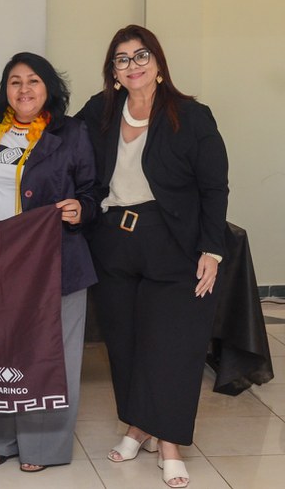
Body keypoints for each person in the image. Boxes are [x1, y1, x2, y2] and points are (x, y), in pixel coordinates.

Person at [75, 24, 228, 488]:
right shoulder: (100, 110)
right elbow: (54, 134)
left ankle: (170, 443)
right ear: (113, 71)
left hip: (173, 242)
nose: (133, 65)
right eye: (122, 59)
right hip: (113, 242)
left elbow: (214, 186)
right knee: (124, 342)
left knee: (171, 347)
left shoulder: (191, 115)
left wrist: (212, 249)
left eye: (141, 55)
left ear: (158, 63)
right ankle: (137, 426)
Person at [0, 52, 97, 472]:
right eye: (15, 81)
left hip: (55, 264)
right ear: (5, 90)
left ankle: (42, 447)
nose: (24, 89)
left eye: (33, 81)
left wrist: (81, 208)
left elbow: (92, 190)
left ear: (49, 88)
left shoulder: (72, 132)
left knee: (50, 355)